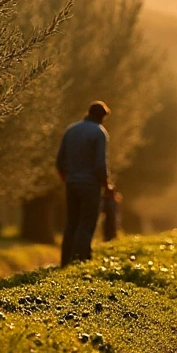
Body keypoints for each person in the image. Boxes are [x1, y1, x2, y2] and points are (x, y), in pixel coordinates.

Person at [56, 101, 110, 266]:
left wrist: (68, 179)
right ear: (102, 117)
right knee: (86, 223)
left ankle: (65, 261)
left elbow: (59, 162)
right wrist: (107, 185)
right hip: (90, 185)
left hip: (71, 182)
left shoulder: (71, 130)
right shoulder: (99, 133)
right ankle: (79, 261)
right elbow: (100, 165)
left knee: (72, 222)